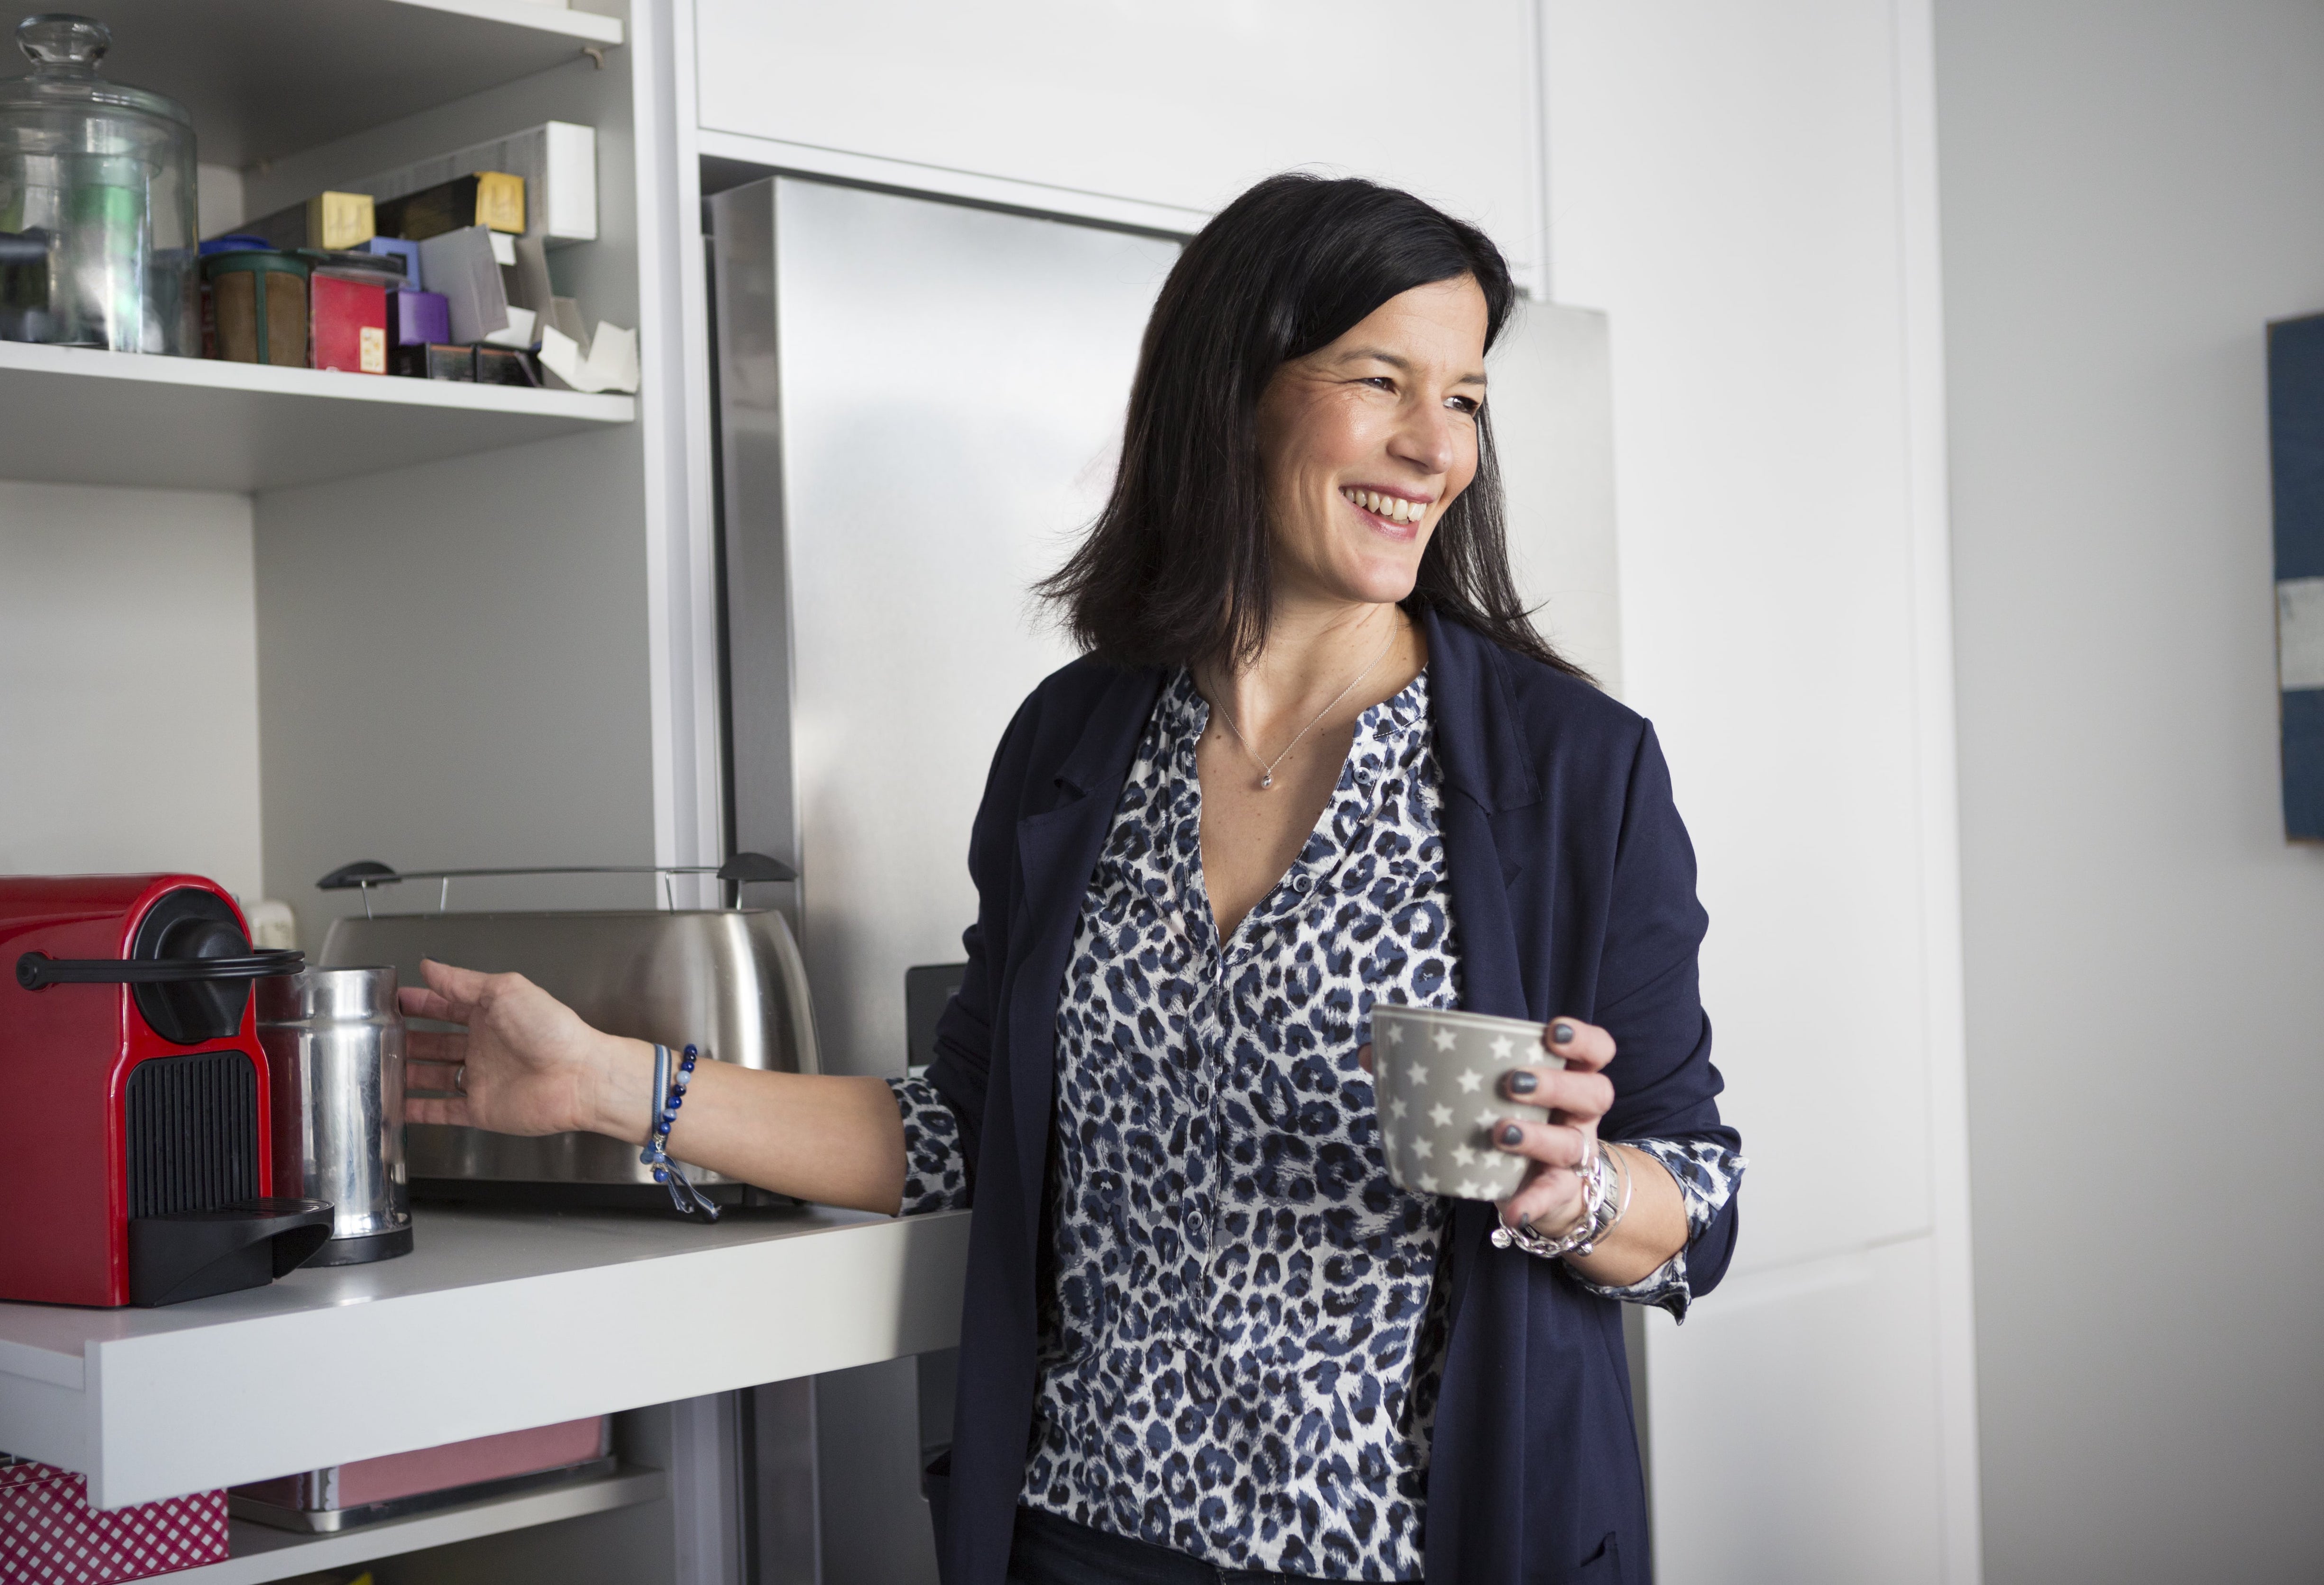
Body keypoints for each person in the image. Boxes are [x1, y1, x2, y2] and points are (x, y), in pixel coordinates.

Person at [405, 173, 1743, 1585]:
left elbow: (1697, 1196)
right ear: (1235, 393)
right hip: (1082, 1540)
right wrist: (609, 1087)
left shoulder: (1574, 769)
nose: (1435, 447)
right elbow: (969, 1128)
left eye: (1466, 397)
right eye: (1381, 380)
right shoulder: (1077, 743)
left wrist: (1583, 1189)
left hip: (1425, 1553)